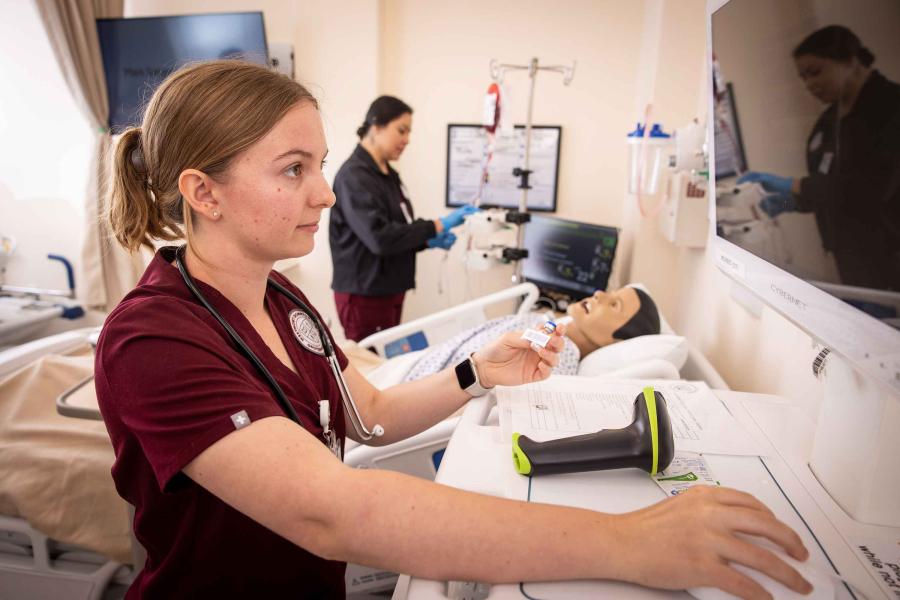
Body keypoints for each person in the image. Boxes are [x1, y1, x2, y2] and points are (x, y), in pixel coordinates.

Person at [96, 60, 812, 599]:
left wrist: (475, 375)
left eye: (317, 165)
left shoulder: (283, 300)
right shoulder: (154, 340)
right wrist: (627, 542)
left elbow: (368, 417)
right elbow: (332, 512)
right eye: (294, 169)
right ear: (202, 193)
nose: (325, 191)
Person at [738, 25, 900, 289]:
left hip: (889, 256)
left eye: (815, 72)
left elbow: (873, 187)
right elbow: (829, 187)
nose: (809, 84)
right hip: (849, 258)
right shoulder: (827, 124)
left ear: (850, 60)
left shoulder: (891, 108)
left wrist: (794, 184)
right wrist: (794, 201)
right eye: (803, 77)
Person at [329, 96, 478, 341]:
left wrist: (427, 240)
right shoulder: (354, 177)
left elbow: (398, 230)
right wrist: (437, 225)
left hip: (390, 289)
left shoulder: (389, 176)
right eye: (401, 130)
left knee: (389, 361)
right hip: (365, 294)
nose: (407, 139)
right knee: (371, 365)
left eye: (409, 132)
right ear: (376, 127)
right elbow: (379, 238)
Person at [404, 286, 661, 381]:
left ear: (614, 341)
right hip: (420, 366)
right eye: (610, 293)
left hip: (419, 381)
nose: (599, 294)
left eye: (614, 305)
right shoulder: (554, 328)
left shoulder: (561, 355)